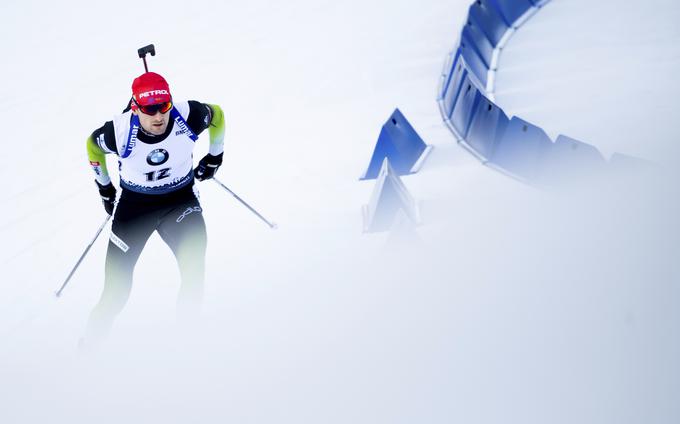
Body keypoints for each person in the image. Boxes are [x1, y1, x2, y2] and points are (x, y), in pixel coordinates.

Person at [83, 71, 225, 343]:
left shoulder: (189, 115)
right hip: (135, 209)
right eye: (149, 110)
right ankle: (88, 350)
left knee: (194, 271)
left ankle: (188, 343)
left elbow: (217, 114)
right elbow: (92, 146)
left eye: (164, 107)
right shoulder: (118, 131)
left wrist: (215, 156)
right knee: (115, 293)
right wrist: (105, 188)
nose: (159, 117)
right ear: (135, 108)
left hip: (180, 201)